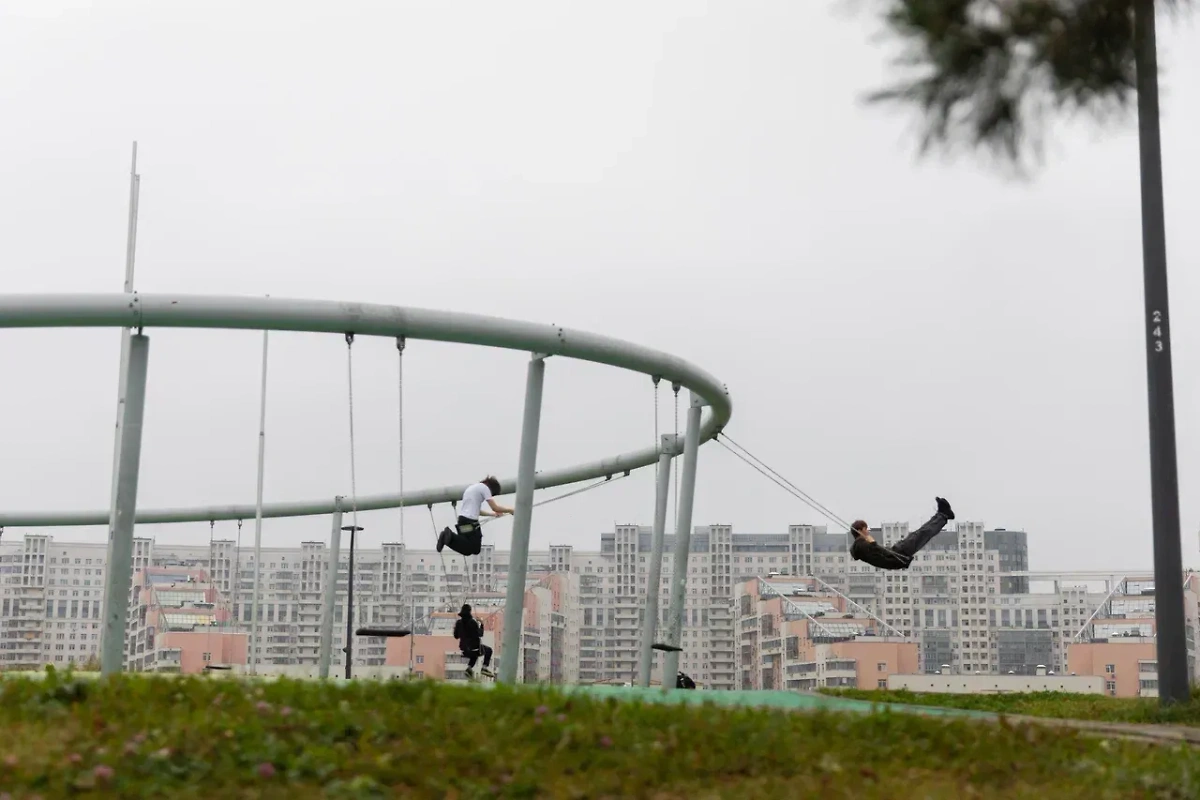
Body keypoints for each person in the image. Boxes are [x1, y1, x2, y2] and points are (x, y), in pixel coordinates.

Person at [849, 497, 955, 570]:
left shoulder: (859, 546)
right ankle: (943, 516)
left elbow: (879, 555)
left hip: (897, 553)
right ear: (860, 531)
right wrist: (872, 543)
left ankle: (941, 515)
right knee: (923, 533)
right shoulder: (861, 543)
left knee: (921, 533)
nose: (868, 531)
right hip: (899, 553)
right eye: (865, 529)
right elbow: (879, 552)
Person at [437, 476, 513, 556]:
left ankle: (448, 537)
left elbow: (477, 511)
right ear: (491, 488)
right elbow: (495, 507)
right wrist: (511, 510)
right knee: (475, 548)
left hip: (462, 521)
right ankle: (449, 535)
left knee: (469, 549)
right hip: (471, 522)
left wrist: (493, 514)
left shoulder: (471, 489)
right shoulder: (485, 488)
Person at [453, 603, 494, 679]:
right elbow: (480, 634)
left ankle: (469, 669)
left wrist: (456, 628)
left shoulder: (458, 623)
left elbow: (456, 636)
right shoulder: (472, 622)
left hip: (464, 650)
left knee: (474, 654)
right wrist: (481, 624)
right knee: (488, 650)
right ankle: (484, 668)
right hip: (474, 648)